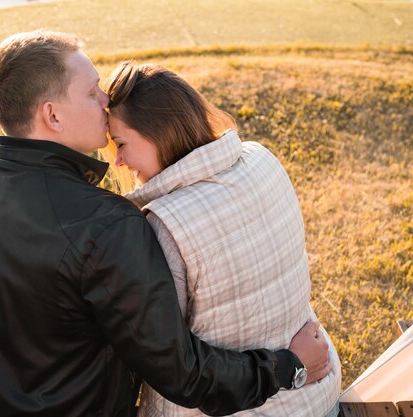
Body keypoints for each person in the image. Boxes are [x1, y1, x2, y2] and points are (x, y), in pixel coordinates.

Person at [0, 30, 332, 417]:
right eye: (90, 92)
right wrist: (288, 366)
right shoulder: (107, 226)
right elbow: (183, 373)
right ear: (51, 115)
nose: (105, 99)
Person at [103, 62, 342, 417]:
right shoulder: (263, 159)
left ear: (160, 131)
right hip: (318, 393)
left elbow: (172, 362)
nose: (119, 161)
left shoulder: (167, 223)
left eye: (121, 144)